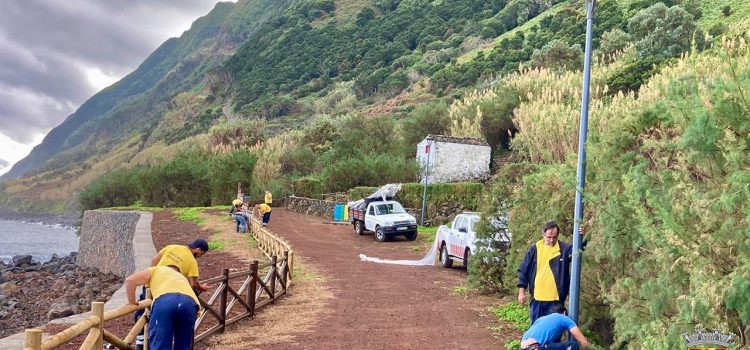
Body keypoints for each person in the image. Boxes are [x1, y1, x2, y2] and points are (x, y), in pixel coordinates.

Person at [133, 239, 209, 349]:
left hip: (155, 282)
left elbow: (154, 261)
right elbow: (194, 283)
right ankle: (145, 339)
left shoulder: (171, 247)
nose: (200, 256)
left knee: (143, 308)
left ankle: (140, 339)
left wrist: (151, 277)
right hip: (174, 291)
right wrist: (202, 287)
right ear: (198, 249)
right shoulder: (192, 261)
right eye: (202, 254)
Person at [517, 221, 585, 323]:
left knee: (554, 331)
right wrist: (521, 292)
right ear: (543, 234)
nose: (552, 240)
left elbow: (578, 250)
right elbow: (523, 270)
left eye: (554, 237)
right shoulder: (534, 249)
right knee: (537, 330)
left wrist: (581, 236)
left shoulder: (564, 249)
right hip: (537, 299)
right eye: (549, 237)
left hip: (556, 301)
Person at [125, 265, 201, 350]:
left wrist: (131, 301)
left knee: (160, 342)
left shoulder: (156, 269)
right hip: (189, 302)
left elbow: (130, 280)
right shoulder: (181, 278)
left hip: (165, 301)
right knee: (184, 344)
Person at [520, 305, 590, 349]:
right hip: (536, 347)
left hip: (524, 346)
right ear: (564, 313)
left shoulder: (541, 319)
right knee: (574, 346)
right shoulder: (562, 317)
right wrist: (585, 343)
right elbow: (576, 333)